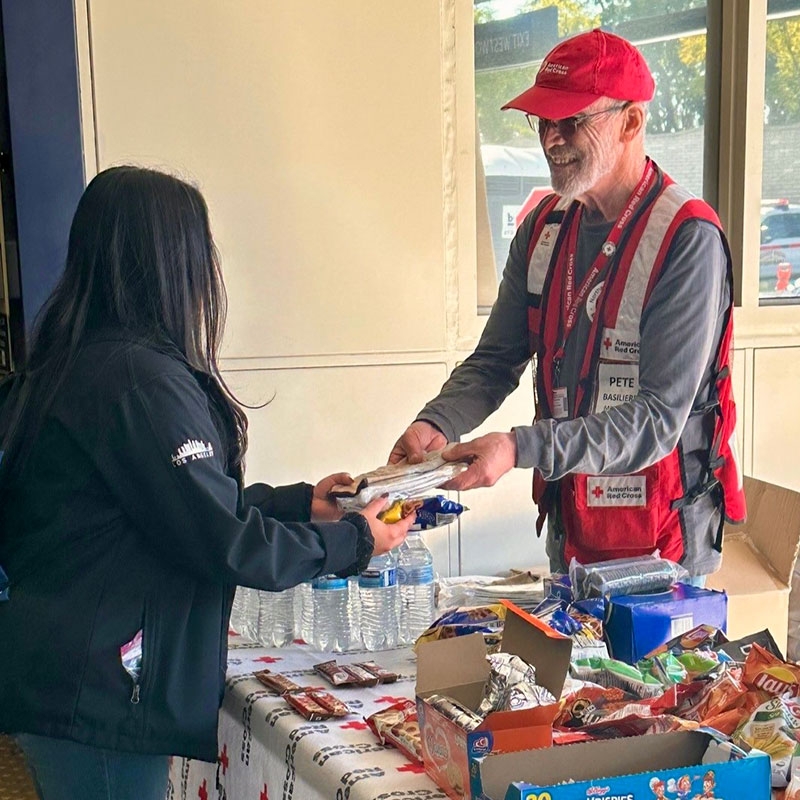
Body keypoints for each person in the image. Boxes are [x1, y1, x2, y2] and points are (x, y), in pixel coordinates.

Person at [0, 166, 414, 800]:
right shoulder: (138, 380)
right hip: (99, 700)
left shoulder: (72, 364)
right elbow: (221, 539)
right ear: (174, 261)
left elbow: (170, 507)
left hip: (66, 679)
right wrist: (357, 541)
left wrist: (303, 504)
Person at [390, 29, 745, 578]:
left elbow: (656, 420)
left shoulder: (685, 237)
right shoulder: (543, 228)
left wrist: (517, 446)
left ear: (631, 122)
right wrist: (438, 423)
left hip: (662, 547)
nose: (552, 137)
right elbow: (496, 360)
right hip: (572, 529)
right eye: (543, 121)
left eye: (572, 119)